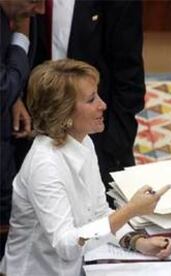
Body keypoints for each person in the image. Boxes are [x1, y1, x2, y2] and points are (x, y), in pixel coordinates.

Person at [0, 59, 171, 276]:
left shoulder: (83, 142)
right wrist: (131, 210)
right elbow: (65, 245)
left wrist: (136, 241)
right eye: (92, 99)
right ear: (63, 113)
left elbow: (99, 213)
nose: (103, 105)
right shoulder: (45, 166)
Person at [15, 0, 146, 209]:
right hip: (28, 125)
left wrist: (114, 144)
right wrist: (16, 98)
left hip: (99, 133)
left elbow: (129, 77)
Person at [0, 0, 45, 258]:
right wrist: (21, 37)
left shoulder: (17, 12)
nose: (39, 10)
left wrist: (15, 98)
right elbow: (3, 88)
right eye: (34, 1)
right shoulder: (20, 24)